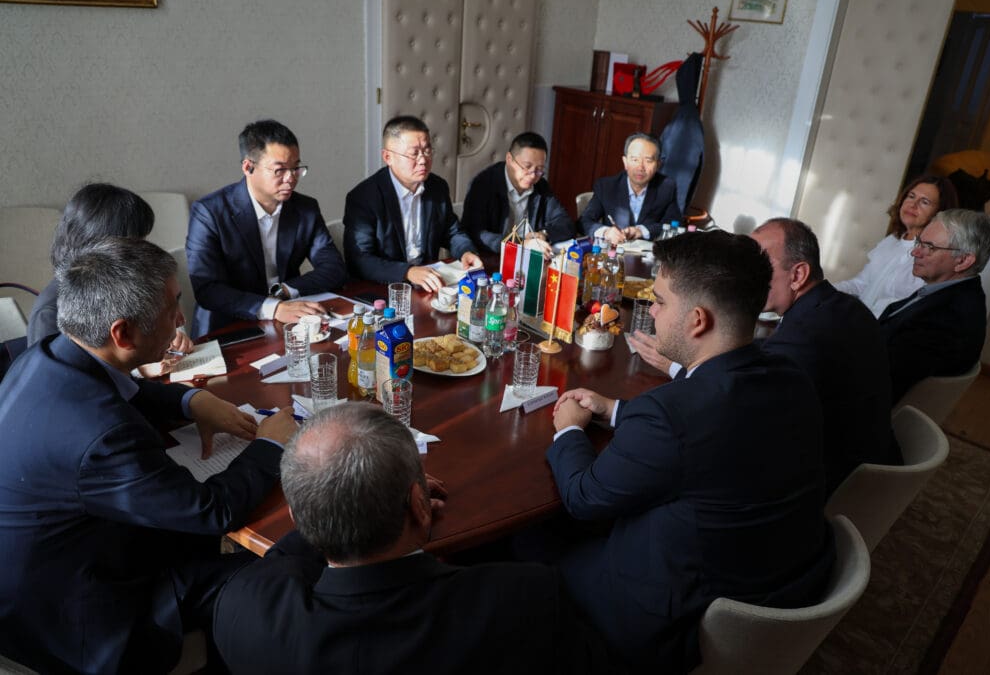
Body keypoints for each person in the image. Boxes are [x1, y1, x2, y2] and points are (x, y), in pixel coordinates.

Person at [0, 237, 296, 674]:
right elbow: (212, 511)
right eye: (172, 307)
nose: (181, 319)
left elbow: (122, 388)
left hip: (48, 569)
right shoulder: (102, 436)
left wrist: (190, 401)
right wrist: (272, 443)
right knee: (276, 570)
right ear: (122, 333)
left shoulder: (44, 356)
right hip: (80, 618)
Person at [546, 231, 835, 673]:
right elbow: (708, 429)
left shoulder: (670, 415)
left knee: (528, 545)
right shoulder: (791, 375)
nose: (651, 312)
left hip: (679, 621)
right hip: (778, 586)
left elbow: (584, 498)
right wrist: (616, 410)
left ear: (698, 320)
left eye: (659, 301)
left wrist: (568, 430)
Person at [213, 402, 610, 675]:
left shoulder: (243, 607)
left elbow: (281, 563)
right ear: (420, 504)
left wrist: (330, 503)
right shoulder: (524, 599)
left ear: (297, 517)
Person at [752, 219, 899, 491]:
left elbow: (747, 408)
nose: (745, 275)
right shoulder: (845, 306)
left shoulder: (804, 335)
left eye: (757, 265)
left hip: (833, 484)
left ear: (798, 275)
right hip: (865, 456)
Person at [187, 119, 347, 338]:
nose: (290, 178)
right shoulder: (209, 212)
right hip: (228, 324)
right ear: (248, 167)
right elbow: (208, 289)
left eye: (296, 168)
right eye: (279, 170)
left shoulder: (305, 208)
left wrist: (285, 291)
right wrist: (273, 308)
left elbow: (333, 267)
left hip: (289, 320)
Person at [26, 183, 194, 377]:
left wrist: (163, 337)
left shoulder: (122, 285)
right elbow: (63, 382)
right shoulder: (48, 313)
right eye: (136, 243)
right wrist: (139, 370)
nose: (143, 251)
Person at [343, 116, 482, 292]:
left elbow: (452, 232)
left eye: (427, 151)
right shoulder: (364, 197)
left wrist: (466, 252)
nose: (423, 160)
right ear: (388, 157)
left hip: (428, 285)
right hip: (382, 288)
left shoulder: (437, 187)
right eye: (414, 154)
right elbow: (359, 260)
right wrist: (407, 272)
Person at [880, 208, 990, 404]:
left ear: (963, 261)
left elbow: (877, 381)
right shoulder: (957, 293)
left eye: (929, 247)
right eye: (919, 242)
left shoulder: (946, 321)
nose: (915, 252)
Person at [836, 174, 958, 317]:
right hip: (857, 322)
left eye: (924, 202)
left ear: (939, 213)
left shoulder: (933, 257)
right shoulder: (891, 240)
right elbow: (860, 284)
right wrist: (823, 290)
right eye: (911, 196)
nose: (912, 205)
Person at [461, 131, 576, 259]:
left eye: (539, 169)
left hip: (531, 258)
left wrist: (543, 234)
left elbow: (566, 223)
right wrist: (521, 245)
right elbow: (476, 233)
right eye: (527, 167)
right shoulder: (483, 184)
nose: (533, 176)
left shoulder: (540, 185)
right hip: (495, 258)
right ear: (509, 159)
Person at [578, 132, 681, 244]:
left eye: (648, 160)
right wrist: (606, 232)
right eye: (635, 159)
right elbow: (584, 222)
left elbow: (674, 225)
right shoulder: (606, 186)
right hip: (614, 250)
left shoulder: (666, 187)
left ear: (658, 165)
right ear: (625, 162)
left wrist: (642, 231)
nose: (640, 167)